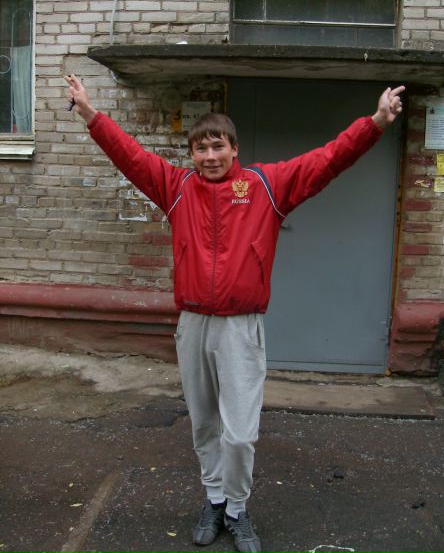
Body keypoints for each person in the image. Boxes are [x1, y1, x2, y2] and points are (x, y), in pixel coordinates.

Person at [65, 75, 404, 553]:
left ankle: (238, 509)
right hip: (193, 325)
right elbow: (131, 157)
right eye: (200, 148)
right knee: (204, 424)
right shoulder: (176, 187)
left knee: (240, 434)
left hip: (241, 327)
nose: (210, 156)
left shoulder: (265, 185)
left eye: (217, 146)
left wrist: (375, 123)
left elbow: (327, 160)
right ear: (192, 154)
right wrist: (90, 114)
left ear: (234, 148)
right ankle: (215, 499)